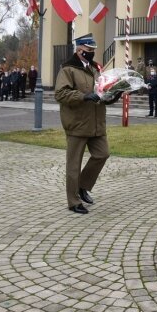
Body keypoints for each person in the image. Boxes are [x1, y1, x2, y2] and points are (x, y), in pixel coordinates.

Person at [54, 33, 120, 215]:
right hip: (77, 123)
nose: (92, 53)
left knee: (102, 154)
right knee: (74, 164)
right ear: (80, 50)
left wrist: (114, 95)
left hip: (96, 123)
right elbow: (60, 94)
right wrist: (83, 96)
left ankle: (83, 186)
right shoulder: (68, 69)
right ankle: (73, 201)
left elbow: (100, 94)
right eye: (89, 50)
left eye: (93, 50)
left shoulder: (94, 68)